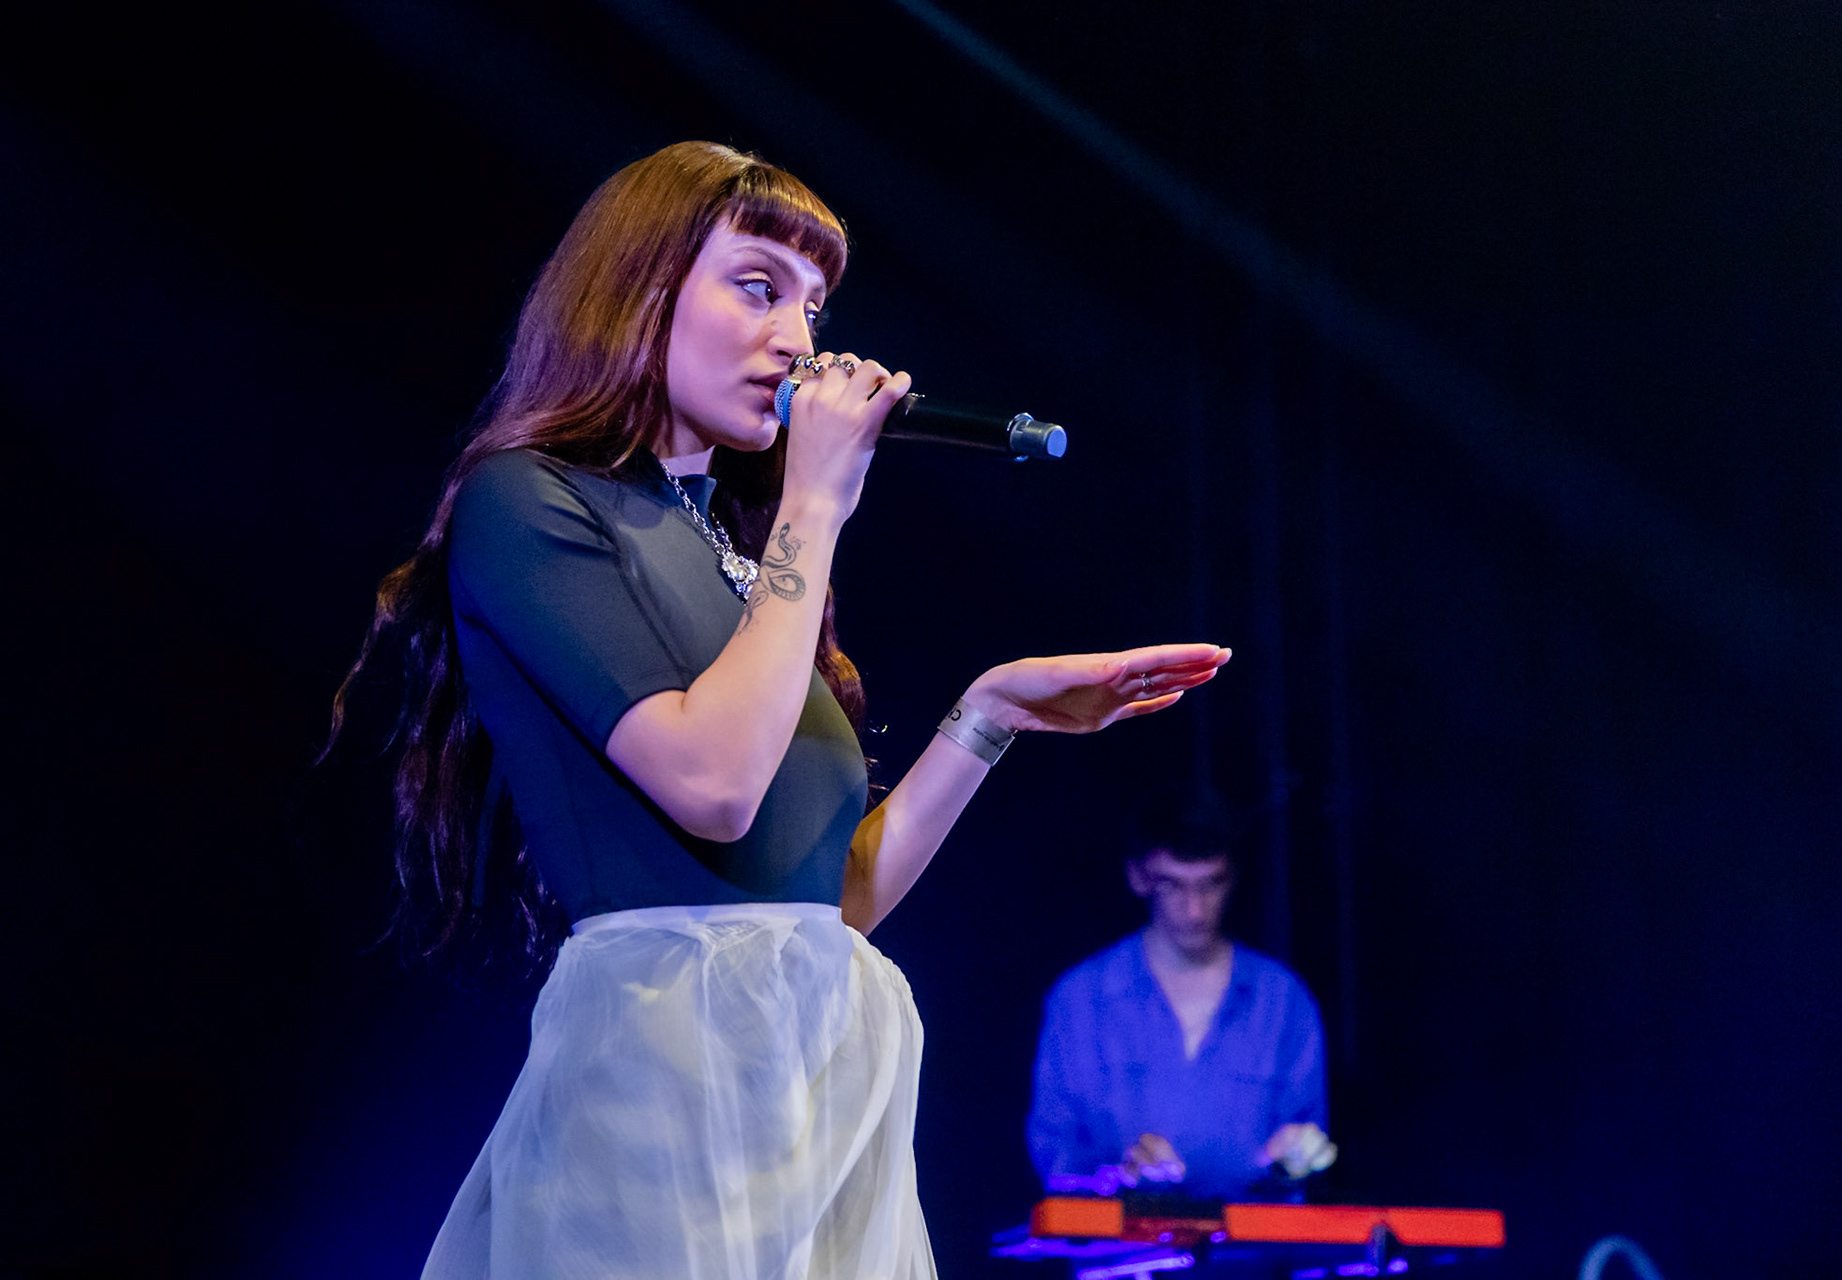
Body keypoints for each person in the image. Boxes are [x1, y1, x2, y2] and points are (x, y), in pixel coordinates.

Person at [329, 141, 1230, 1279]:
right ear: (641, 286)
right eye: (759, 287)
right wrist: (814, 503)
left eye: (812, 306)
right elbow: (712, 785)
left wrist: (990, 711)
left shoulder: (738, 551)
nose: (799, 339)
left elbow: (827, 900)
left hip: (811, 1080)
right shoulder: (530, 500)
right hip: (664, 1067)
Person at [1028, 812, 1333, 1203]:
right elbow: (1055, 1158)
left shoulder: (1283, 1000)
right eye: (1173, 885)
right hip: (1119, 1240)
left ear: (1232, 878)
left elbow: (1305, 1154)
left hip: (1249, 1238)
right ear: (1139, 878)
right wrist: (1120, 1175)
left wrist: (1291, 1163)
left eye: (1211, 884)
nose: (1195, 910)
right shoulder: (1081, 1000)